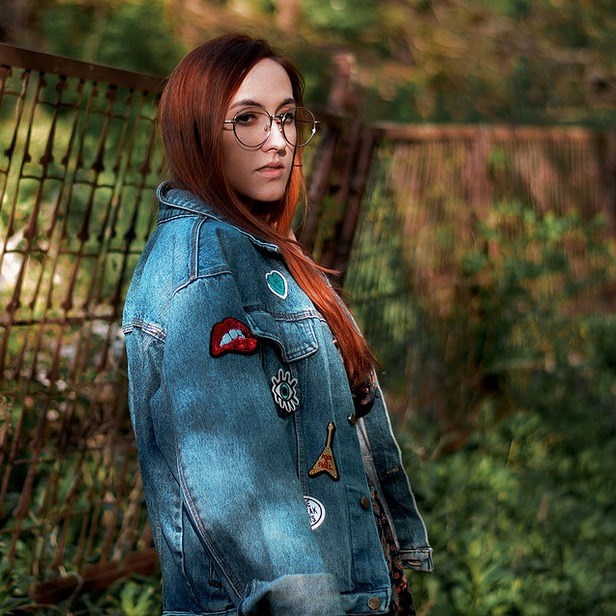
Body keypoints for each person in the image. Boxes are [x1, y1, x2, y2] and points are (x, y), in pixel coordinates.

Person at [122, 33, 433, 616]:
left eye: (286, 117)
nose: (278, 140)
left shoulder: (264, 247)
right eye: (247, 119)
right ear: (197, 132)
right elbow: (246, 500)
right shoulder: (204, 270)